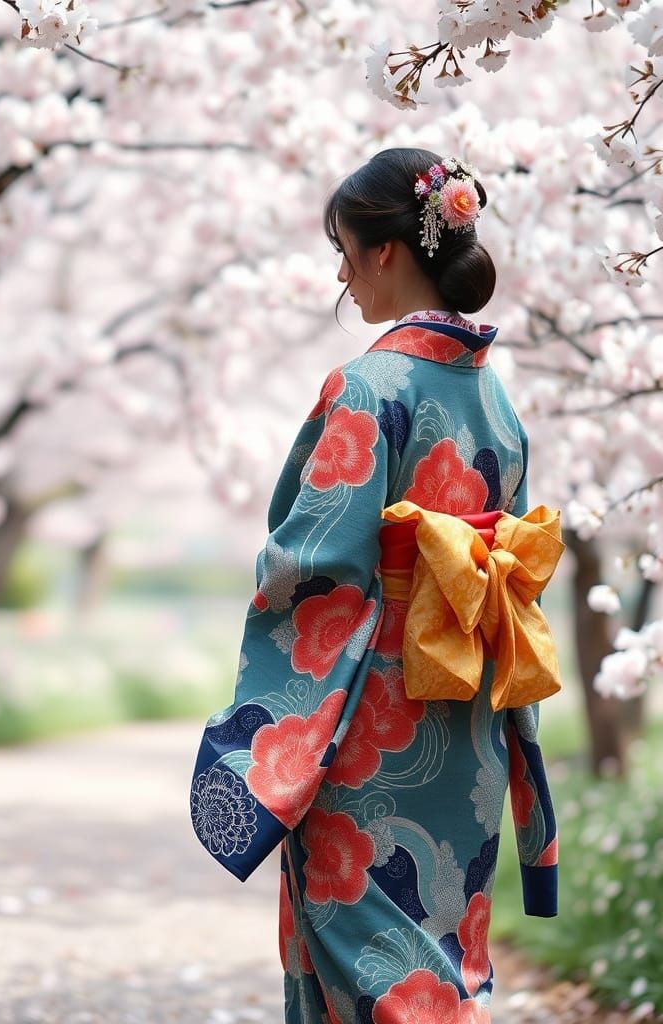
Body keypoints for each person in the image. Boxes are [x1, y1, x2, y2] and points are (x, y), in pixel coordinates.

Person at [188, 147, 564, 1023]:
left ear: (387, 252)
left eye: (347, 251)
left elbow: (311, 571)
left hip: (370, 725)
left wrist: (267, 732)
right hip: (464, 715)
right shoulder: (496, 401)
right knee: (437, 956)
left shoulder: (367, 386)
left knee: (364, 960)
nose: (344, 275)